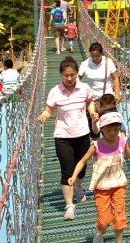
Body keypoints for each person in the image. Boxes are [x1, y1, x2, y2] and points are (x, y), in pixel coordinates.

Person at [68, 112, 130, 243]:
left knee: (119, 215)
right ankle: (100, 231)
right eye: (109, 130)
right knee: (104, 220)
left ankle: (119, 241)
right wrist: (73, 176)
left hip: (118, 184)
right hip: (101, 187)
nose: (112, 133)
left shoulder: (122, 142)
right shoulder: (96, 146)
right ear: (102, 129)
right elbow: (82, 161)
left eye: (116, 129)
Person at [36, 56, 97, 221]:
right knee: (67, 170)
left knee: (82, 169)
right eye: (66, 75)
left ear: (77, 74)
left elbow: (90, 101)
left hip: (82, 134)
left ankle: (78, 185)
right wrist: (44, 115)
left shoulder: (84, 88)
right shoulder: (55, 91)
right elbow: (49, 110)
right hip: (63, 136)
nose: (69, 79)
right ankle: (69, 206)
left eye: (72, 75)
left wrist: (92, 112)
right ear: (61, 75)